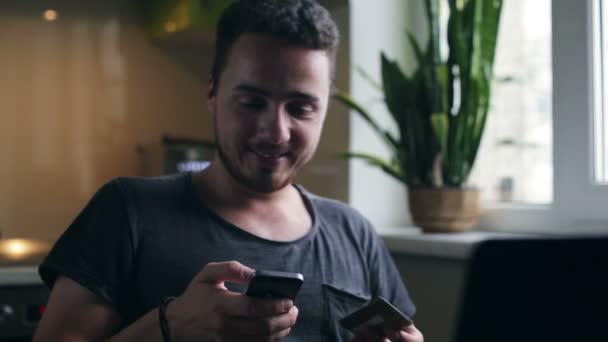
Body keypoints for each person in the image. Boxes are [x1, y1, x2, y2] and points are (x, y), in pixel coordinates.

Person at [33, 0, 424, 341]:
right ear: (212, 93)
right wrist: (170, 327)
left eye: (301, 108)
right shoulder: (127, 212)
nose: (275, 131)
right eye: (252, 102)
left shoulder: (354, 232)